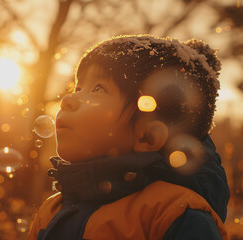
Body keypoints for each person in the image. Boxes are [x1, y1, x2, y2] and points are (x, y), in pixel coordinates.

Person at [28, 34, 230, 240]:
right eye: (78, 88)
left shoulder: (175, 214)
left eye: (98, 88)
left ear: (147, 138)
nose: (68, 99)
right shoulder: (50, 210)